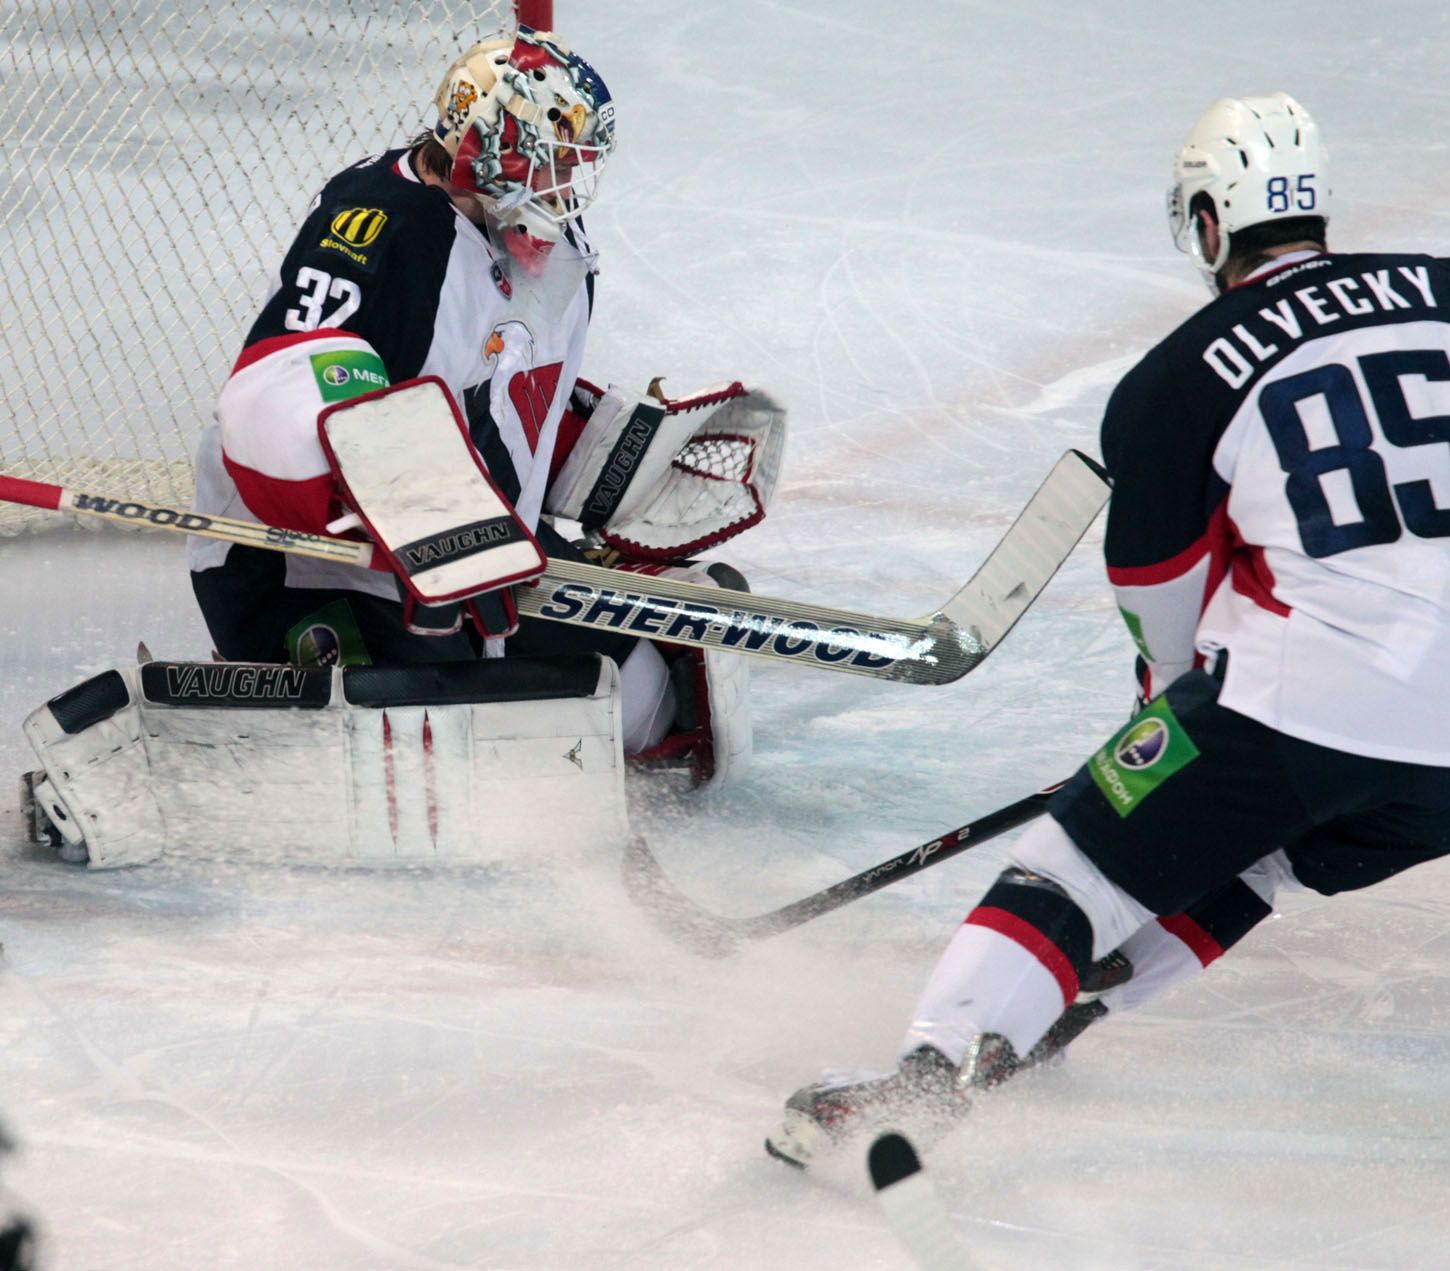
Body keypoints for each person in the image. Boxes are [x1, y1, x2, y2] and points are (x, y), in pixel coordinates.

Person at [766, 90, 1450, 1168]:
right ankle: (1050, 1018)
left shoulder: (1182, 372)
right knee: (1260, 853)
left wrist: (1164, 717)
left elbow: (1158, 584)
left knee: (1080, 863)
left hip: (1313, 697)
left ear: (1212, 221)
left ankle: (928, 1077)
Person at [186, 24, 785, 787]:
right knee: (443, 753)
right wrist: (417, 519)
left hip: (485, 562)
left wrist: (610, 462)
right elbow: (276, 390)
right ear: (491, 151)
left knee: (640, 699)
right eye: (555, 161)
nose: (570, 185)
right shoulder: (383, 225)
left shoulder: (552, 246)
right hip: (319, 567)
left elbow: (510, 399)